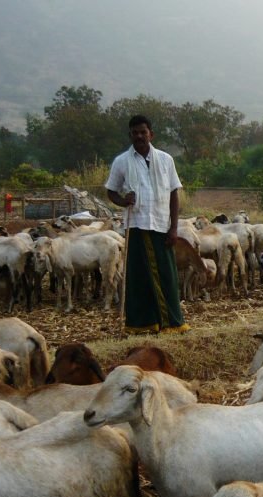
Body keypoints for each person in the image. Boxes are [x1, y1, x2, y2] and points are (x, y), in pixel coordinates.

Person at [105, 115, 189, 334]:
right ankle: (142, 323)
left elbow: (173, 194)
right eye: (135, 132)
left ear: (151, 134)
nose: (139, 136)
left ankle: (172, 322)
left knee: (166, 274)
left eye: (143, 132)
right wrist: (124, 201)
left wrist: (174, 228)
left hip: (162, 224)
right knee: (139, 276)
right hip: (137, 224)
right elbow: (111, 191)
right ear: (130, 135)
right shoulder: (122, 161)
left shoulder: (165, 159)